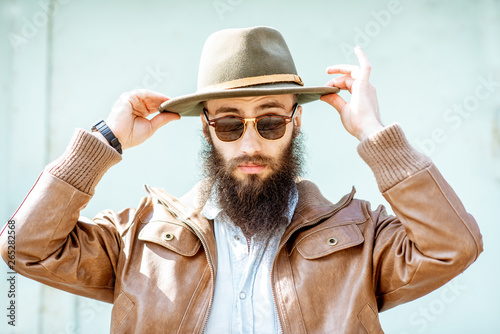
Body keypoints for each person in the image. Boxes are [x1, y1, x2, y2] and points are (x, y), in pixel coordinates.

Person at [0, 26, 482, 333]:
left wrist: (374, 134)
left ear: (296, 123)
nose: (250, 144)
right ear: (207, 129)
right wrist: (104, 141)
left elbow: (453, 245)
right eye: (230, 124)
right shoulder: (137, 240)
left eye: (269, 122)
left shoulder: (365, 239)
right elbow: (25, 246)